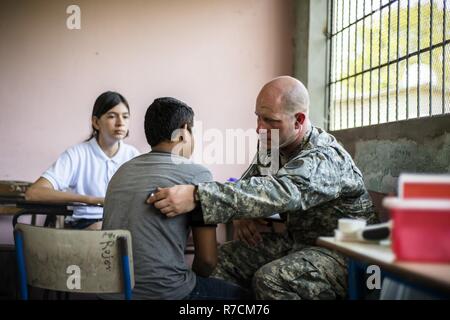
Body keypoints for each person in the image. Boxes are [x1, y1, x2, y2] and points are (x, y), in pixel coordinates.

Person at [148, 76, 378, 299]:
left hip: (347, 252)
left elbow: (281, 191)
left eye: (270, 120)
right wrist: (241, 215)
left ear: (298, 120)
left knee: (271, 280)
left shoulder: (324, 157)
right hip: (299, 243)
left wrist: (198, 196)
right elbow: (248, 186)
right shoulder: (273, 148)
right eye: (258, 118)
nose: (259, 128)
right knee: (219, 261)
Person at [101, 97, 249, 300]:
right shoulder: (197, 175)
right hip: (165, 295)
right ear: (184, 130)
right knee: (246, 297)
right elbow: (207, 261)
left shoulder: (121, 172)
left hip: (111, 294)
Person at [25, 91, 140, 229]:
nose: (120, 123)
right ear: (96, 122)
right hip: (86, 224)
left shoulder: (133, 155)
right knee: (104, 230)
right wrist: (90, 200)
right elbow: (34, 193)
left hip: (123, 224)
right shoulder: (77, 154)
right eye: (111, 116)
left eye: (125, 117)